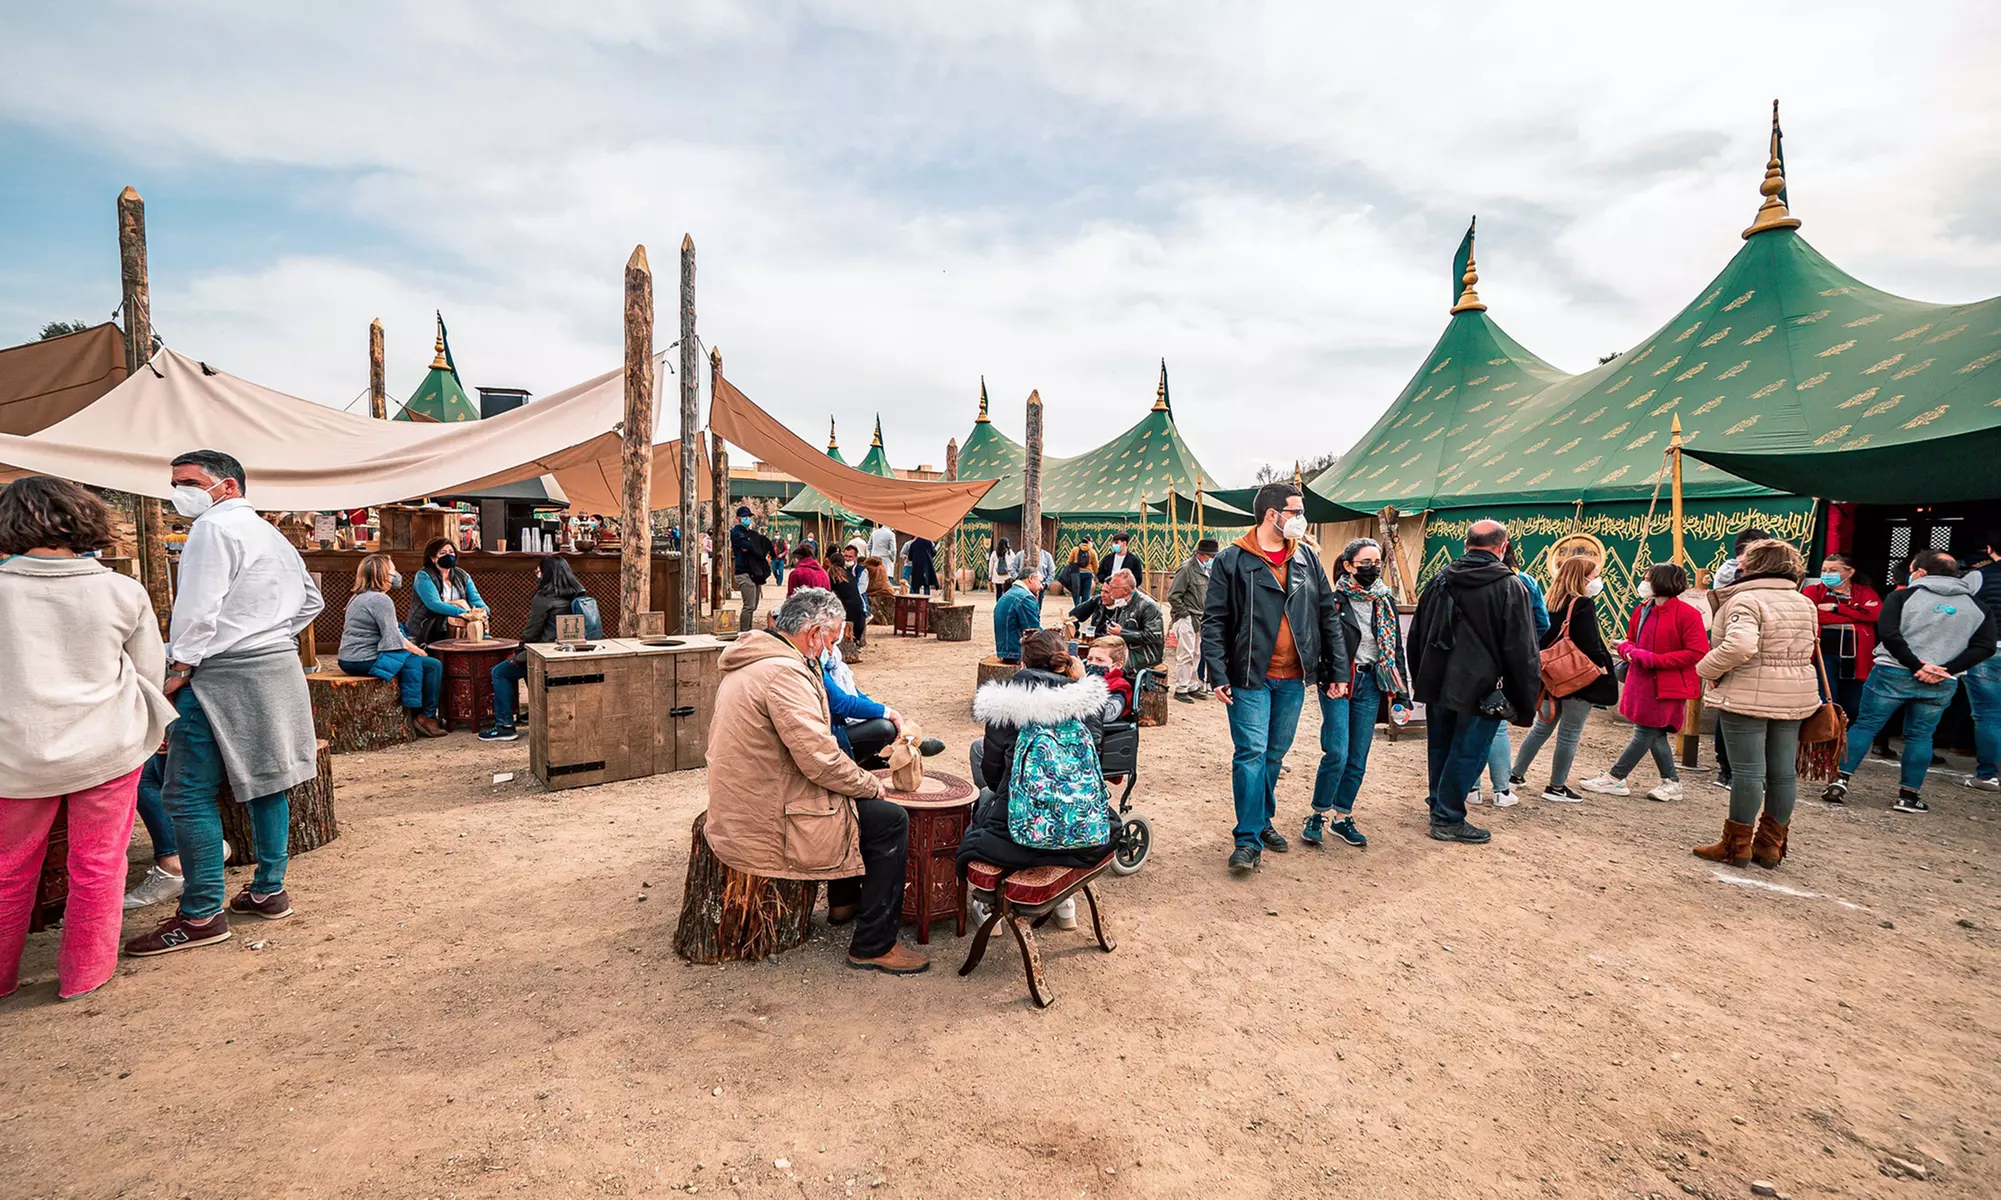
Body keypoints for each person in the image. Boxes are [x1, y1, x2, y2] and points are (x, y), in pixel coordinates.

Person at [124, 450, 323, 958]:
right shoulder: (269, 533)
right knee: (268, 781)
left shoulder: (213, 528)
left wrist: (180, 668)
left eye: (190, 482)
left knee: (186, 793)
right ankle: (269, 889)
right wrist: (268, 633)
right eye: (175, 482)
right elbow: (311, 600)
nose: (179, 491)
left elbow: (196, 610)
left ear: (228, 485)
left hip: (223, 672)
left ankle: (201, 914)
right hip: (276, 665)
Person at [0, 476, 178, 1000]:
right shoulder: (121, 590)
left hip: (14, 754)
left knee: (8, 869)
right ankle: (86, 972)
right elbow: (148, 671)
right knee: (99, 864)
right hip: (107, 747)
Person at [703, 588, 926, 974]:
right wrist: (872, 785)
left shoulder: (762, 658)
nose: (831, 648)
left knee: (853, 804)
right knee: (889, 820)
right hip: (765, 814)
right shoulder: (784, 675)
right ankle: (874, 944)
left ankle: (844, 903)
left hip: (759, 793)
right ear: (812, 634)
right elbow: (820, 761)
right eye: (831, 639)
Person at [1200, 482, 1347, 872]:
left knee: (1274, 754)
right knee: (1250, 753)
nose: (1302, 518)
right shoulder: (1233, 560)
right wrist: (1217, 672)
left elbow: (1327, 616)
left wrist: (1338, 669)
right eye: (1296, 511)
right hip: (1250, 674)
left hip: (1293, 676)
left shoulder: (1307, 558)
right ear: (1272, 514)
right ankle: (1247, 839)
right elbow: (1214, 620)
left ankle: (1262, 820)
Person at [962, 629, 1117, 930]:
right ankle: (1065, 905)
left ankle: (987, 907)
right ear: (1064, 662)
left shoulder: (1005, 704)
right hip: (1082, 828)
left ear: (1023, 664)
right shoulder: (1087, 700)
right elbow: (1094, 760)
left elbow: (993, 774)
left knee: (985, 803)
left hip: (1021, 833)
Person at [1824, 550, 1996, 812]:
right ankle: (1908, 796)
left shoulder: (1902, 597)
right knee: (1921, 735)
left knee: (1866, 725)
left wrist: (1917, 664)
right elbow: (1985, 646)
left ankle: (1839, 781)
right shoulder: (1977, 606)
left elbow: (1889, 634)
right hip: (1941, 680)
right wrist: (1946, 669)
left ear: (1921, 572)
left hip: (1893, 672)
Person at [1407, 520, 1540, 845]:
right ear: (1502, 546)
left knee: (1441, 747)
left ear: (1466, 544)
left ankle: (1439, 805)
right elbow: (1521, 649)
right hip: (1482, 689)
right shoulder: (1510, 586)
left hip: (1439, 682)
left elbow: (1417, 633)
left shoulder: (1440, 579)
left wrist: (1422, 678)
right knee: (1469, 752)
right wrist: (1521, 699)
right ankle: (1448, 818)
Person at [1692, 539, 1822, 867]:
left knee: (1748, 772)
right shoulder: (1803, 601)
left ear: (1754, 564)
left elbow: (1740, 645)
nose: (1740, 564)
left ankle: (1736, 846)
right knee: (1782, 773)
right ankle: (1771, 845)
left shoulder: (1746, 599)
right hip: (1795, 693)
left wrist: (1706, 669)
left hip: (1747, 693)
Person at [1305, 536, 1410, 849]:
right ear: (1349, 566)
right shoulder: (1333, 601)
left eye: (1377, 562)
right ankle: (1318, 814)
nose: (1373, 568)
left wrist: (1401, 693)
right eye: (1366, 562)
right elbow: (1321, 645)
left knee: (1358, 756)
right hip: (1339, 682)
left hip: (1371, 682)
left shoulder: (1385, 601)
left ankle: (1342, 816)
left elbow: (1396, 649)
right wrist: (1329, 678)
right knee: (1337, 751)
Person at [1579, 563, 1706, 801]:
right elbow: (1630, 641)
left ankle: (1616, 778)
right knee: (1654, 732)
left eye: (1648, 579)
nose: (1643, 583)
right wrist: (1628, 650)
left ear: (1662, 582)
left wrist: (1654, 659)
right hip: (1642, 680)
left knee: (1645, 731)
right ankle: (1671, 782)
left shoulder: (1688, 614)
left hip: (1668, 683)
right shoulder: (1643, 609)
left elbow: (1696, 652)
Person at [1510, 554, 1618, 802]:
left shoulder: (1548, 602)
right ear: (1582, 578)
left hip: (1550, 677)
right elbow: (1590, 645)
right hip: (1577, 678)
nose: (1597, 580)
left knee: (1540, 729)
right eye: (1594, 576)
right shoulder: (1582, 605)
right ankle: (1556, 787)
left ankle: (1515, 775)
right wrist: (1603, 669)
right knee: (1569, 734)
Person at [337, 553, 447, 738]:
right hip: (365, 659)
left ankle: (420, 714)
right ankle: (425, 716)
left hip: (347, 659)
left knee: (423, 663)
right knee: (431, 665)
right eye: (392, 570)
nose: (396, 575)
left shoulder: (357, 597)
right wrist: (418, 651)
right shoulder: (381, 600)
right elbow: (393, 638)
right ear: (382, 574)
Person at [1474, 541, 1549, 808]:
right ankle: (1501, 790)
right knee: (1497, 725)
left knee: (1470, 722)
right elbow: (1542, 622)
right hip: (1508, 664)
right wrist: (1523, 646)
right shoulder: (1524, 581)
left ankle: (1471, 787)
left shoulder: (1465, 577)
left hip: (1472, 661)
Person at [480, 556, 587, 742]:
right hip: (570, 652)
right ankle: (539, 713)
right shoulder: (579, 594)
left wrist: (518, 653)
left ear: (547, 574)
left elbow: (531, 632)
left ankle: (505, 726)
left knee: (500, 672)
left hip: (543, 653)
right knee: (528, 670)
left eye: (539, 571)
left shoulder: (544, 598)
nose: (537, 574)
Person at [821, 642, 945, 766]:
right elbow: (841, 703)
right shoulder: (817, 668)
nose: (832, 649)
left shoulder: (833, 665)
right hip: (830, 732)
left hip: (840, 723)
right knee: (885, 728)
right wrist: (887, 713)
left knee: (884, 718)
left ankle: (904, 743)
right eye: (831, 642)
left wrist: (882, 712)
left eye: (835, 642)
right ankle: (909, 743)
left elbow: (856, 695)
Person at [1800, 552, 1880, 727]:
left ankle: (1845, 738)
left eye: (1833, 570)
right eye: (1824, 570)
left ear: (1849, 572)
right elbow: (1813, 615)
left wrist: (1837, 608)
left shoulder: (1865, 592)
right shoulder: (1813, 591)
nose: (1827, 574)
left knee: (1853, 704)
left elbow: (1875, 615)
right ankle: (1826, 737)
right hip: (1824, 655)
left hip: (1856, 656)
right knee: (1826, 700)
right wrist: (1856, 614)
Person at [1068, 568, 1165, 672]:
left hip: (1145, 654)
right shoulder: (1121, 602)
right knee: (1091, 662)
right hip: (1123, 650)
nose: (1110, 591)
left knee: (1107, 666)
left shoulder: (1148, 606)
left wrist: (1122, 633)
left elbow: (1155, 636)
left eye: (1113, 588)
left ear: (1125, 590)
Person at [1965, 531, 2001, 792]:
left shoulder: (1979, 576)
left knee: (1989, 714)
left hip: (1988, 649)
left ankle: (1988, 775)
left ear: (1989, 549)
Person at [407, 535, 487, 647]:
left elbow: (475, 598)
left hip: (459, 628)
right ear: (433, 558)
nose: (448, 555)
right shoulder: (423, 576)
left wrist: (483, 611)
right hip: (427, 629)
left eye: (451, 552)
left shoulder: (462, 575)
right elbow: (434, 604)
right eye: (443, 553)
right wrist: (464, 613)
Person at [1167, 538, 1218, 701]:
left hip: (1200, 617)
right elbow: (1173, 595)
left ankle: (1192, 685)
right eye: (1211, 556)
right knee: (1186, 654)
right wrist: (1184, 614)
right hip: (1187, 617)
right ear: (1202, 554)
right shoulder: (1187, 569)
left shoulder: (1206, 569)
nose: (1212, 559)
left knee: (1196, 653)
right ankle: (1181, 688)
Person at [729, 507, 774, 628]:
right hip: (744, 572)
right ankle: (744, 630)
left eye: (749, 516)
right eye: (745, 516)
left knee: (753, 606)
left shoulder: (751, 533)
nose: (748, 519)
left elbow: (760, 546)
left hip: (755, 572)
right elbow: (749, 545)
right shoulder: (736, 532)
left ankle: (748, 629)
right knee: (749, 606)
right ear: (738, 518)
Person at [993, 570, 1045, 664]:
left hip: (1006, 651)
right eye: (1040, 582)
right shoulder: (1025, 597)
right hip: (1017, 653)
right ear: (1031, 578)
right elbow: (1033, 631)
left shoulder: (1009, 594)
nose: (1041, 587)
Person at [826, 544, 870, 649]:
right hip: (857, 610)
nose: (848, 559)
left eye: (850, 557)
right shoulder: (848, 574)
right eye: (846, 556)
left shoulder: (832, 574)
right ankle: (856, 642)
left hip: (847, 610)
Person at [1085, 636, 1136, 721]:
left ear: (1117, 665)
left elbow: (1109, 714)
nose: (1092, 663)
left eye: (1100, 660)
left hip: (1101, 727)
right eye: (1089, 659)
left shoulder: (1119, 686)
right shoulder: (1082, 677)